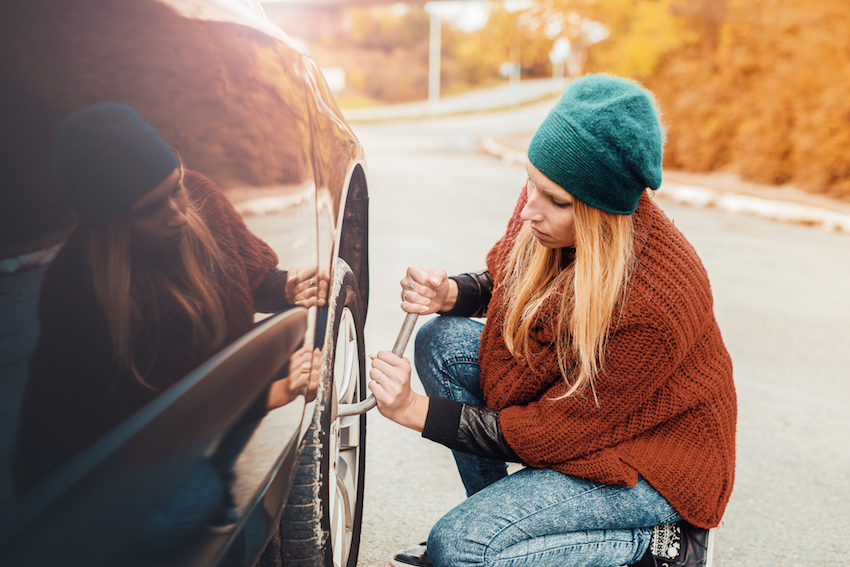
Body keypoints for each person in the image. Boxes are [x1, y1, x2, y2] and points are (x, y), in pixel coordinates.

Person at [368, 75, 736, 567]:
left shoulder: (656, 302)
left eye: (555, 201)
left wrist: (414, 410)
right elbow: (507, 279)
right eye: (530, 184)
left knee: (457, 548)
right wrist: (450, 293)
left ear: (598, 210)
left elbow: (561, 430)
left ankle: (656, 545)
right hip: (582, 419)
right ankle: (507, 527)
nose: (529, 211)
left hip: (651, 456)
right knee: (442, 340)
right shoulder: (549, 201)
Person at [13, 103, 320, 492]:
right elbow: (143, 427)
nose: (177, 213)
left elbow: (250, 278)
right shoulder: (79, 290)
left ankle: (218, 474)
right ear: (110, 223)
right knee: (190, 507)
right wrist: (276, 393)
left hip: (207, 393)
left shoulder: (198, 195)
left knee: (288, 334)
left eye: (175, 188)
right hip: (118, 459)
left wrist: (286, 286)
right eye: (149, 209)